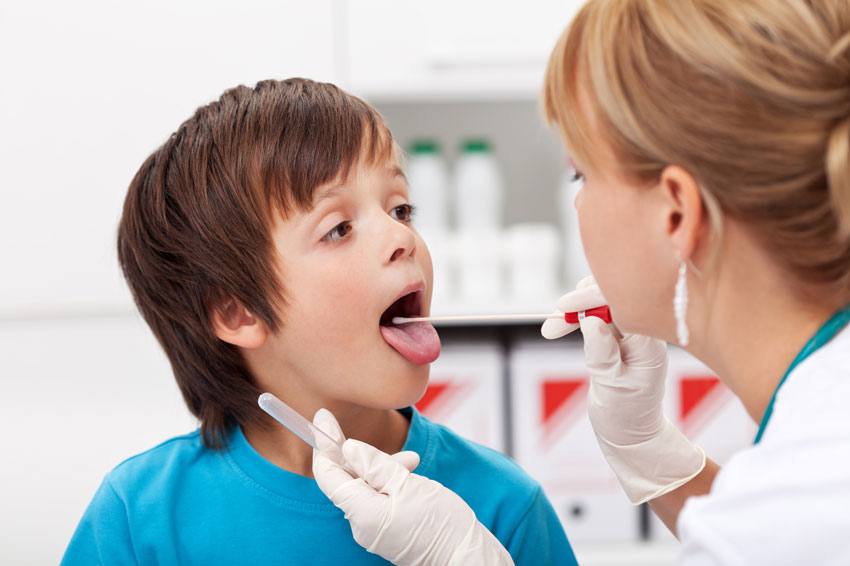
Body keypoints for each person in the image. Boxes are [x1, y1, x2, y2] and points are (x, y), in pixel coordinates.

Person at [311, 1, 850, 564]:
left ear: (676, 215)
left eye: (581, 174)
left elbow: (770, 535)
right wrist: (654, 458)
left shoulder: (801, 503)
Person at [61, 78, 577, 565]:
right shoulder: (139, 518)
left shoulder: (500, 507)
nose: (404, 239)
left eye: (400, 209)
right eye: (339, 228)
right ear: (237, 311)